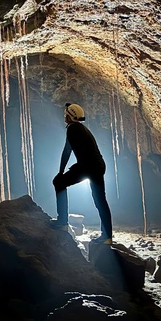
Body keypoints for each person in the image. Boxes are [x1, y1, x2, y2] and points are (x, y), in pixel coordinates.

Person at [51, 103, 113, 244]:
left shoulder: (73, 129)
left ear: (70, 116)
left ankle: (62, 221)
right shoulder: (81, 128)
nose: (64, 116)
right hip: (97, 166)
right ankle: (107, 236)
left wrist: (61, 172)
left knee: (58, 182)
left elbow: (67, 151)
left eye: (66, 114)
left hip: (88, 167)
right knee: (100, 201)